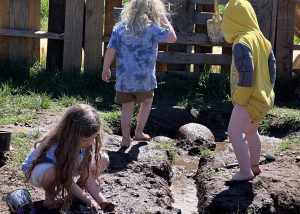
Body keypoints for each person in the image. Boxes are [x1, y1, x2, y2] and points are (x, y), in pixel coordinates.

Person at [102, 0, 177, 149]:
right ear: (153, 11)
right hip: (144, 79)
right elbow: (172, 38)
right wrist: (163, 18)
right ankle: (139, 132)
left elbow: (111, 49)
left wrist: (106, 68)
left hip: (124, 80)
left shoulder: (120, 28)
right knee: (147, 101)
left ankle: (125, 138)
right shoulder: (151, 28)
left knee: (127, 107)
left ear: (130, 10)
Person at [22, 104, 116, 212]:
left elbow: (88, 177)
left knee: (102, 158)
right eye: (86, 140)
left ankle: (77, 193)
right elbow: (65, 178)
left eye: (93, 138)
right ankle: (50, 196)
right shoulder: (56, 146)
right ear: (72, 136)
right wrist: (89, 200)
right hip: (37, 172)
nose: (90, 142)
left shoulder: (86, 144)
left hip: (65, 169)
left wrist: (102, 201)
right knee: (53, 172)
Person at [220, 0, 276, 182]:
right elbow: (272, 71)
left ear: (233, 20)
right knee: (252, 132)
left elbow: (246, 73)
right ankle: (254, 165)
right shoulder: (264, 41)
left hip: (248, 99)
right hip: (264, 97)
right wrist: (267, 91)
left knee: (234, 133)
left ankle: (245, 171)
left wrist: (239, 99)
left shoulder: (241, 42)